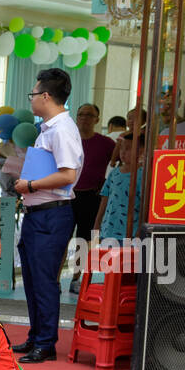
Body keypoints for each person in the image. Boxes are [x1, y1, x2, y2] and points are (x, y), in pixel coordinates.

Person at [14, 68, 83, 363]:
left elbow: (67, 175)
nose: (31, 99)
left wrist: (30, 184)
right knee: (31, 279)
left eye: (33, 94)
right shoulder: (48, 128)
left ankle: (46, 343)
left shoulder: (63, 129)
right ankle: (36, 335)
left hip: (52, 215)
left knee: (44, 280)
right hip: (36, 213)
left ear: (45, 95)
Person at [70, 103, 116, 292]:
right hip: (67, 196)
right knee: (62, 236)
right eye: (81, 114)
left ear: (97, 119)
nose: (84, 118)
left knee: (84, 238)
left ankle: (76, 278)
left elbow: (117, 165)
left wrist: (104, 187)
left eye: (89, 115)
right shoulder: (68, 140)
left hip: (91, 196)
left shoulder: (107, 143)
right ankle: (54, 279)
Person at [94, 134, 146, 244]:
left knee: (126, 260)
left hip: (130, 232)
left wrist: (140, 231)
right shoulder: (114, 173)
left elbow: (144, 206)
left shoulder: (142, 175)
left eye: (128, 148)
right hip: (108, 230)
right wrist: (97, 225)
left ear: (141, 151)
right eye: (121, 148)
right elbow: (104, 200)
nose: (123, 152)